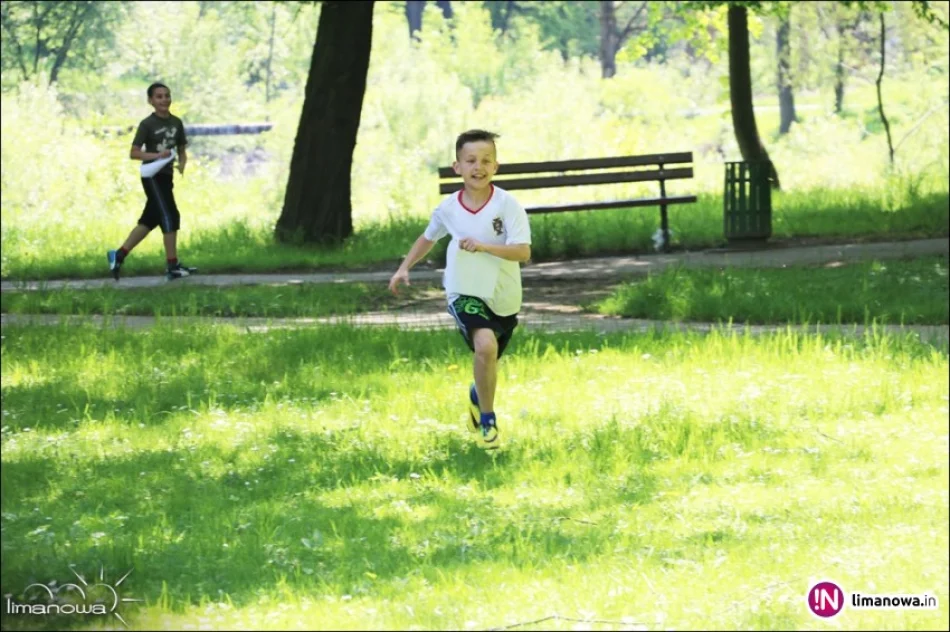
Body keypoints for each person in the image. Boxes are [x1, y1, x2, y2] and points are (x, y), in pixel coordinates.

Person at [388, 129, 532, 449]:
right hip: (463, 289)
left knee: (489, 358)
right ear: (458, 167)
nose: (478, 167)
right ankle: (488, 422)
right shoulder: (448, 208)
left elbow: (523, 252)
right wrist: (404, 267)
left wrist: (484, 246)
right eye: (471, 160)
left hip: (504, 295)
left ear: (496, 167)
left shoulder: (508, 205)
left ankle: (477, 397)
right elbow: (428, 237)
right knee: (485, 347)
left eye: (486, 161)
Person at [107, 82, 197, 282]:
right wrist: (157, 155)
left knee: (150, 219)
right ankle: (172, 266)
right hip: (152, 176)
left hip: (167, 176)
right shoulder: (147, 124)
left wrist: (182, 163)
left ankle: (118, 255)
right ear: (151, 101)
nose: (164, 99)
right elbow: (134, 153)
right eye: (159, 96)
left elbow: (181, 148)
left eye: (167, 95)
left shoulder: (176, 122)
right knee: (170, 216)